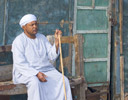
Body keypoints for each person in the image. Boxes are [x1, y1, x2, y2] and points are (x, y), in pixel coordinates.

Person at [11, 14, 72, 100]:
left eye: (36, 24)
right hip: (26, 73)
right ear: (24, 27)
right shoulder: (19, 41)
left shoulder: (42, 37)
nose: (35, 26)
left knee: (64, 80)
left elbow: (51, 56)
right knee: (35, 82)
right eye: (32, 25)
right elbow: (20, 64)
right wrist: (36, 73)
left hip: (46, 70)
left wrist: (57, 42)